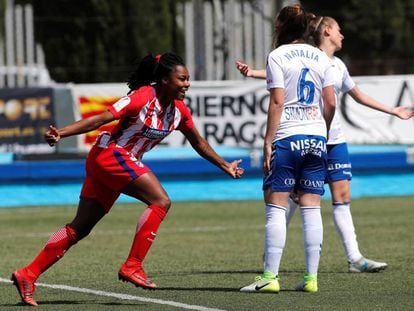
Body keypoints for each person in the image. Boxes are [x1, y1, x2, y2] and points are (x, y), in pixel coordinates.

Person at [11, 52, 244, 307]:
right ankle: (133, 265)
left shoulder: (179, 111)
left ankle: (28, 274)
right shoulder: (142, 97)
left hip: (112, 161)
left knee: (80, 227)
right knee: (161, 201)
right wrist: (62, 133)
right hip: (110, 155)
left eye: (188, 79)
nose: (187, 84)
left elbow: (198, 142)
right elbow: (102, 118)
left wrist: (225, 166)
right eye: (182, 79)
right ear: (165, 80)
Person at [236, 15, 414, 275]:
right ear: (328, 31)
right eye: (339, 30)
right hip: (313, 136)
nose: (343, 35)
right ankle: (273, 258)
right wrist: (254, 73)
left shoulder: (338, 65)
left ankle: (354, 258)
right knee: (295, 198)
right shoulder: (311, 56)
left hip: (333, 140)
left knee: (340, 196)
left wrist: (392, 110)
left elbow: (357, 94)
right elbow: (284, 75)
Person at [240, 4, 336, 294]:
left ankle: (270, 277)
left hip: (288, 137)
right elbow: (330, 103)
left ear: (280, 26)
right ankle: (311, 280)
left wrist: (268, 141)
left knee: (275, 207)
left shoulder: (277, 56)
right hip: (316, 138)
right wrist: (323, 132)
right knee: (311, 208)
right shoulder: (321, 56)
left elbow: (278, 102)